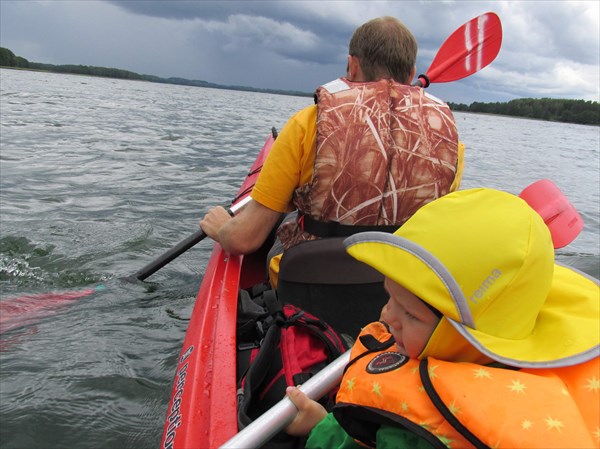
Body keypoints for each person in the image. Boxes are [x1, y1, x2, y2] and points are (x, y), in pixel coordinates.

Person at [284, 188, 600, 449]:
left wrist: (322, 430)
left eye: (409, 313)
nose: (385, 316)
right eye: (389, 295)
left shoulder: (412, 435)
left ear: (471, 336)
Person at [200, 16, 464, 287]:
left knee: (288, 217)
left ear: (352, 64)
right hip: (402, 288)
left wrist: (222, 229)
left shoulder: (307, 123)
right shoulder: (448, 138)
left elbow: (245, 239)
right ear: (411, 75)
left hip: (313, 284)